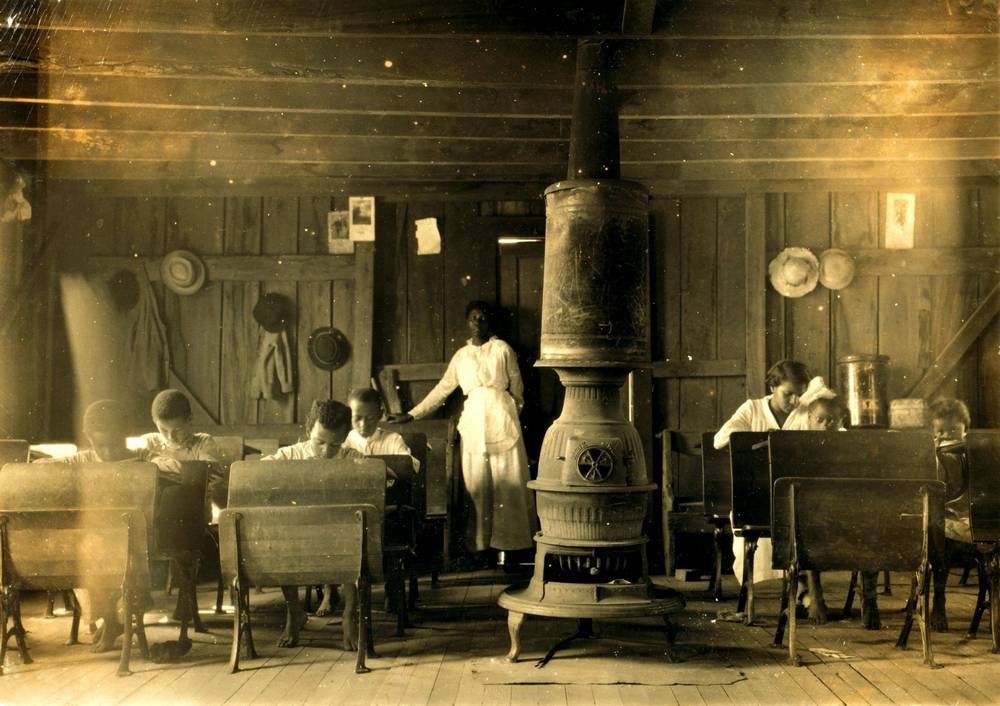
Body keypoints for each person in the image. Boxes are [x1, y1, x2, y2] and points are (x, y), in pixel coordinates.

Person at [388, 300, 536, 566]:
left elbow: (517, 388)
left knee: (509, 483)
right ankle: (482, 549)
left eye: (483, 318)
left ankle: (513, 548)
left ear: (490, 323)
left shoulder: (502, 349)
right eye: (473, 318)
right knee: (477, 486)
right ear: (467, 322)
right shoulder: (461, 356)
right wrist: (412, 414)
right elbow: (443, 389)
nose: (478, 322)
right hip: (474, 421)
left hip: (503, 418)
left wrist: (510, 413)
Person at [35, 399, 160, 653]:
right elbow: (40, 467)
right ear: (89, 438)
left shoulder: (142, 456)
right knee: (85, 556)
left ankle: (116, 619)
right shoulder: (85, 458)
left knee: (102, 556)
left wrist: (138, 468)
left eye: (112, 445)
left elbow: (173, 467)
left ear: (125, 436)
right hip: (98, 543)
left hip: (134, 541)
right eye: (98, 444)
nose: (105, 452)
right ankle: (111, 619)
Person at [713, 359, 835, 607]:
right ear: (773, 387)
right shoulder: (752, 409)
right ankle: (793, 588)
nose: (793, 401)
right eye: (787, 394)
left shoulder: (804, 411)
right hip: (757, 498)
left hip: (795, 498)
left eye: (798, 395)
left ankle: (801, 586)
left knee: (808, 518)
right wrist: (761, 439)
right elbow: (720, 439)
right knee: (758, 523)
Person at [260, 400, 363, 649]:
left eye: (335, 444)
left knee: (354, 539)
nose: (327, 451)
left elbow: (377, 475)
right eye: (320, 442)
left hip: (339, 538)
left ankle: (349, 613)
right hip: (299, 539)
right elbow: (260, 470)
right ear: (309, 431)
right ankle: (293, 611)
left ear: (346, 437)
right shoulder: (290, 454)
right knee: (283, 544)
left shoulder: (351, 457)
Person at [138, 389, 224, 635]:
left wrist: (159, 465)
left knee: (184, 529)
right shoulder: (148, 442)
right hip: (153, 514)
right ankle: (139, 595)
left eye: (176, 430)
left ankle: (185, 595)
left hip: (190, 514)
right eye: (162, 430)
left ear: (190, 419)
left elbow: (205, 474)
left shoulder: (203, 442)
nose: (170, 436)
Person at [796, 395, 848, 624]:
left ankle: (869, 600)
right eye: (820, 419)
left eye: (832, 420)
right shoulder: (799, 444)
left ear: (841, 421)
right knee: (807, 525)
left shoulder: (850, 444)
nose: (826, 425)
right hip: (812, 513)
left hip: (843, 508)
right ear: (809, 420)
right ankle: (815, 594)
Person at [928, 397, 973, 632]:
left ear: (965, 431)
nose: (947, 437)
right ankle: (939, 598)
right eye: (941, 432)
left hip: (970, 515)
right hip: (943, 518)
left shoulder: (972, 454)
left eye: (954, 431)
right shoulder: (934, 457)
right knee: (936, 530)